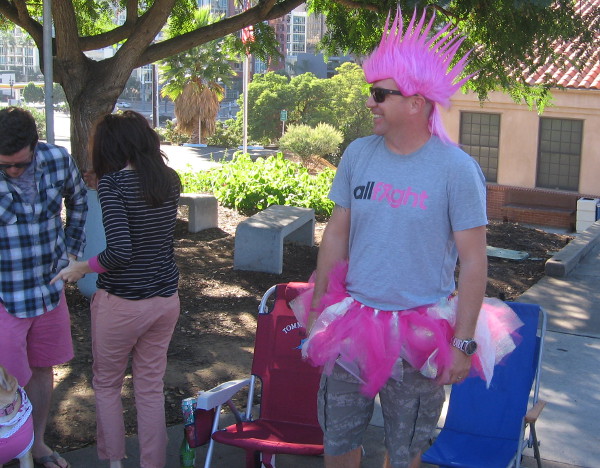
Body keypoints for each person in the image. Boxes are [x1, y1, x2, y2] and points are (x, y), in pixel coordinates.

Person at [290, 9, 523, 468]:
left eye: (380, 94)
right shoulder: (357, 154)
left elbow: (474, 262)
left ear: (416, 103)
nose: (370, 102)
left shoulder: (457, 170)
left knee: (404, 453)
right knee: (337, 443)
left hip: (421, 337)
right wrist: (317, 308)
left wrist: (462, 343)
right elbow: (336, 234)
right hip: (351, 327)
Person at [51, 111, 182, 468]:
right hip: (165, 300)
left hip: (122, 303)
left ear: (109, 146)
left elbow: (120, 252)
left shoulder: (113, 185)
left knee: (107, 384)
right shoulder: (169, 179)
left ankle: (114, 461)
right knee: (150, 386)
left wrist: (81, 268)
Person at [0, 107, 87, 468]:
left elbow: (79, 199)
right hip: (6, 296)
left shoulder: (57, 159)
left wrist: (72, 253)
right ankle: (7, 448)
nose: (12, 171)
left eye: (19, 164)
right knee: (5, 381)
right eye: (4, 166)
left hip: (49, 290)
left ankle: (36, 444)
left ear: (35, 147)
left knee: (41, 368)